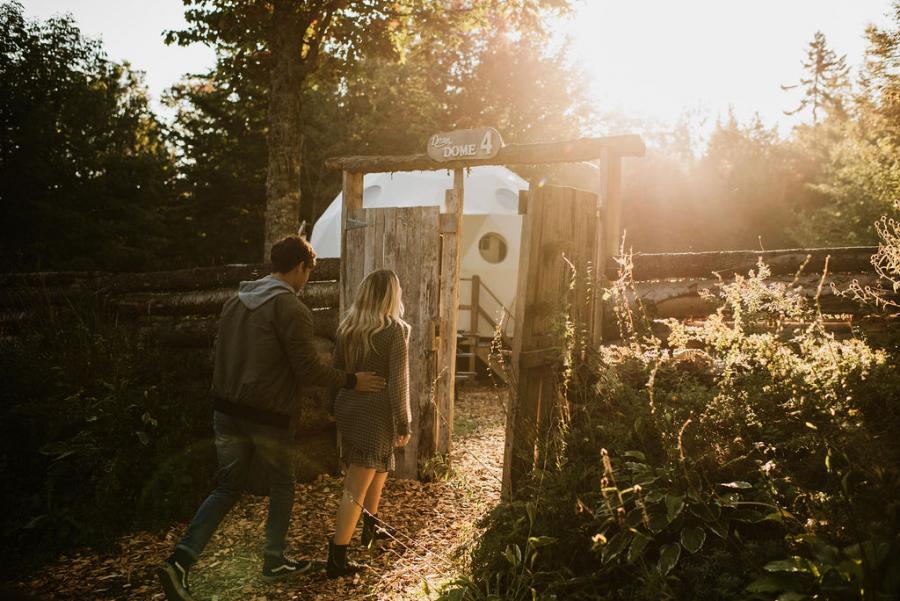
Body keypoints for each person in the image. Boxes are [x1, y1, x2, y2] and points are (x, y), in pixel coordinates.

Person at [157, 236, 386, 601]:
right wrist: (351, 380)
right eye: (308, 272)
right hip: (267, 416)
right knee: (282, 485)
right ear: (299, 267)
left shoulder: (236, 301)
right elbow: (308, 369)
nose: (307, 280)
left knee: (226, 488)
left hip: (226, 411)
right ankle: (274, 559)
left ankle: (179, 562)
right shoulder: (290, 308)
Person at [326, 269, 412, 579]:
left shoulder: (349, 327)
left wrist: (330, 406)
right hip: (375, 414)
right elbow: (398, 383)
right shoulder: (395, 331)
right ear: (392, 295)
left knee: (378, 467)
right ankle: (337, 557)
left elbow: (335, 370)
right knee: (355, 488)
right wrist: (405, 422)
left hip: (348, 408)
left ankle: (371, 527)